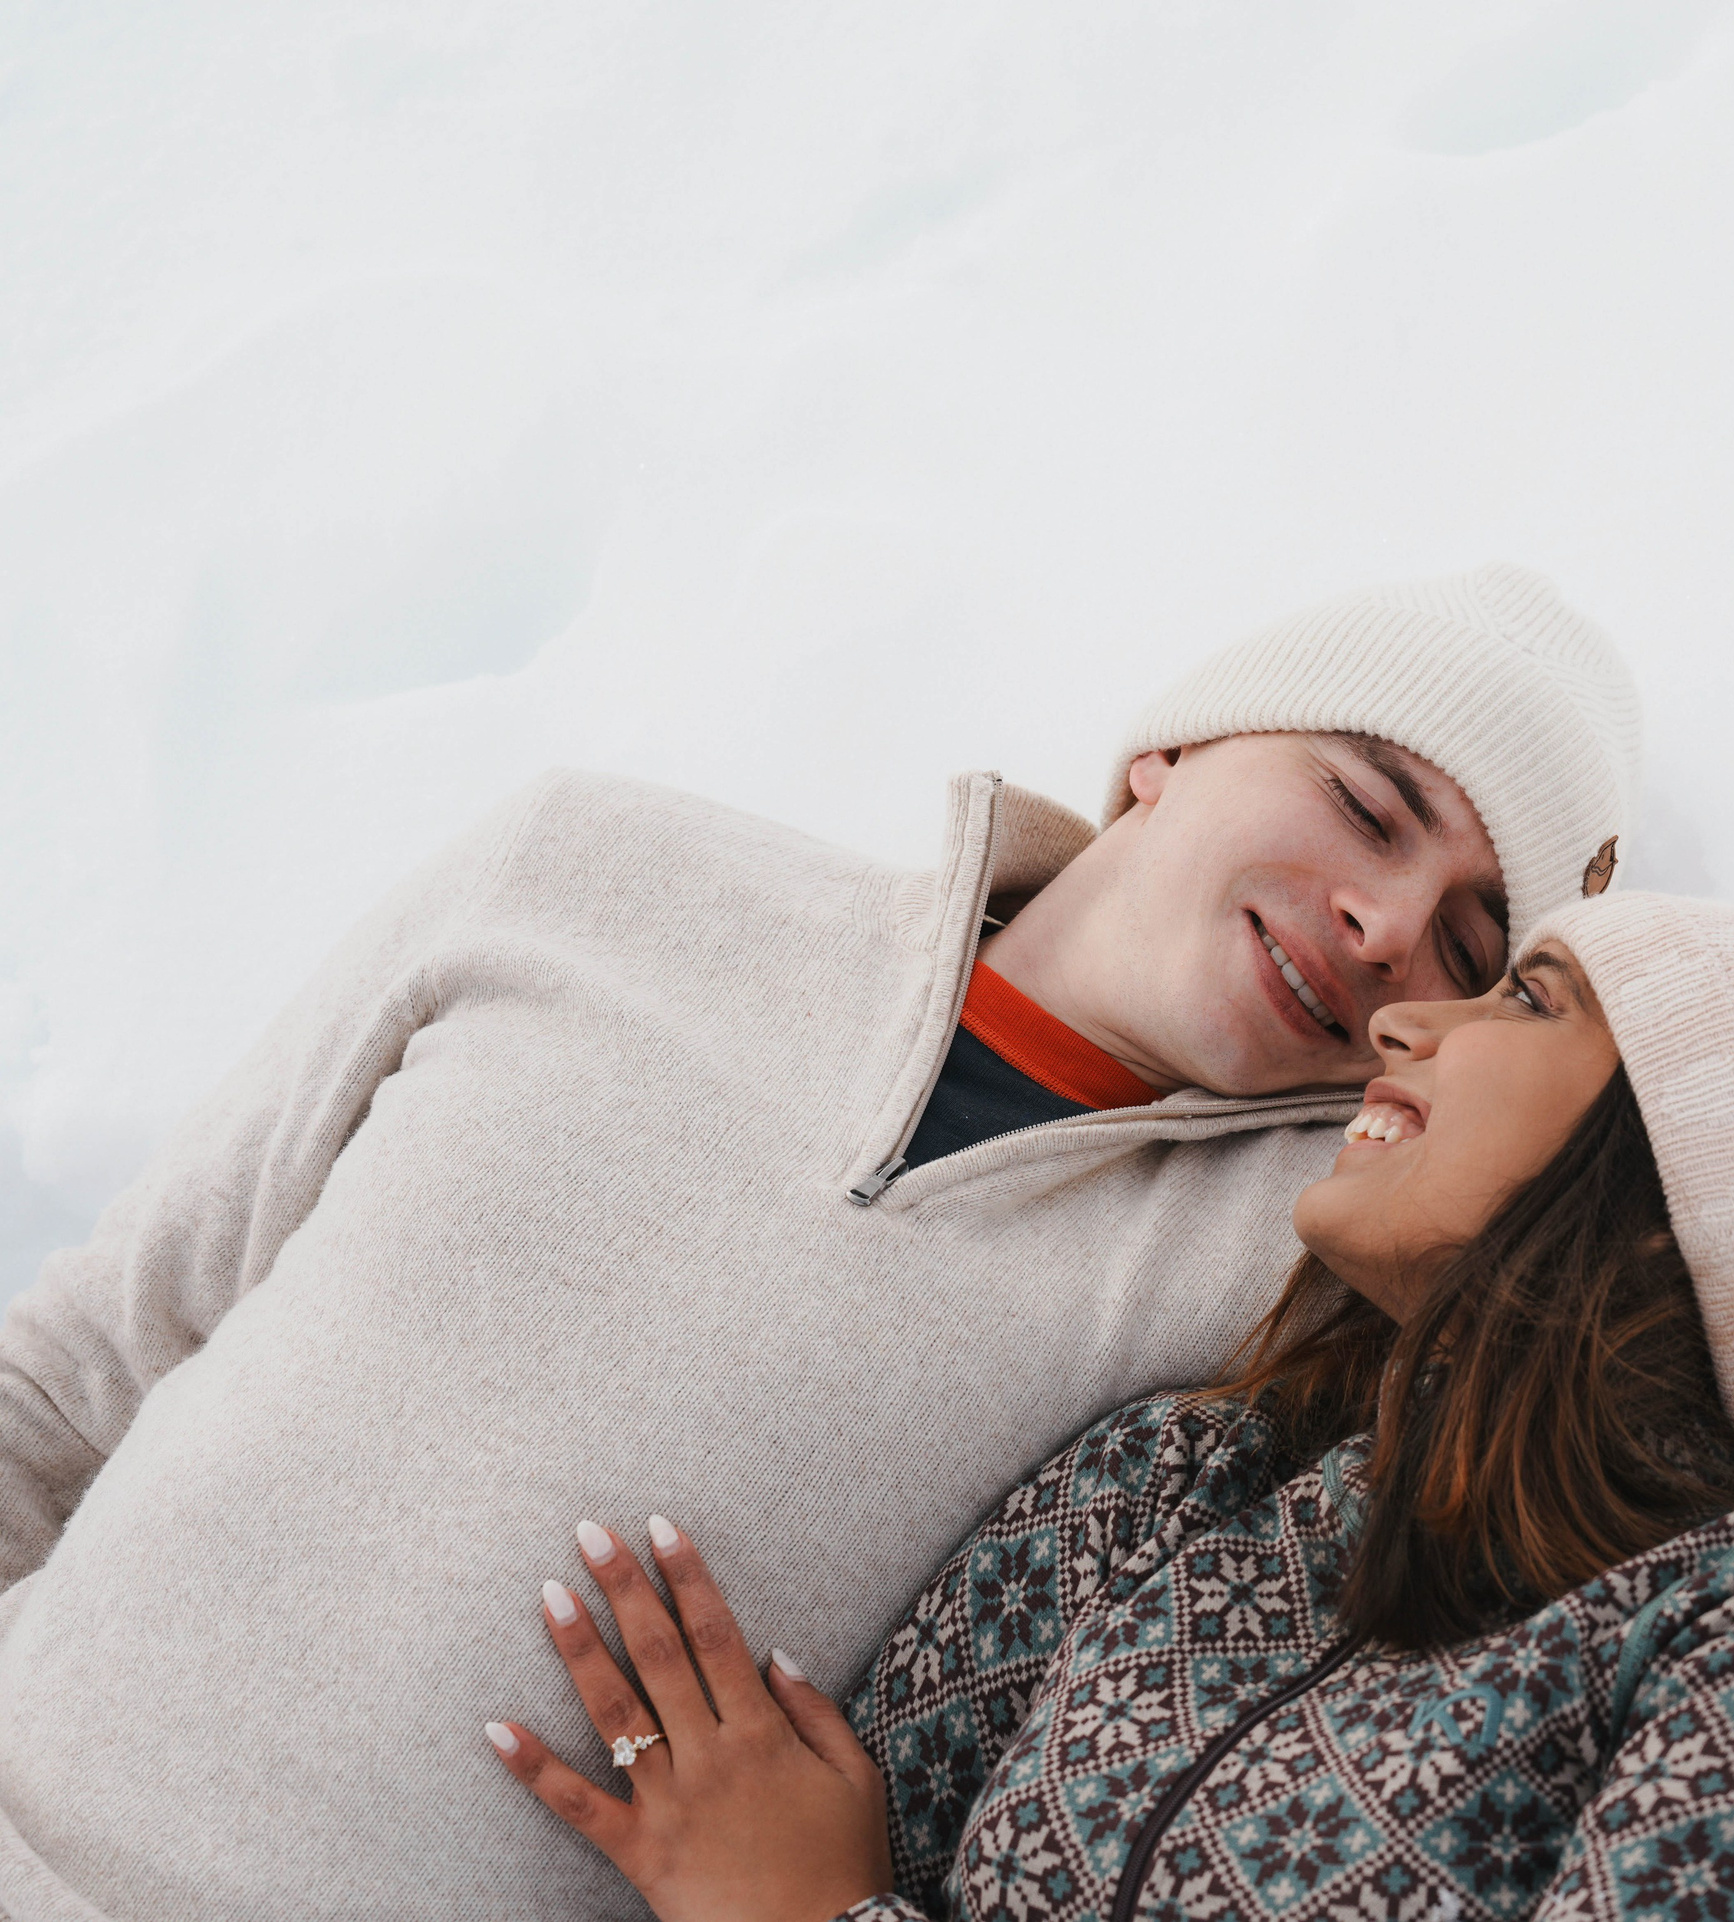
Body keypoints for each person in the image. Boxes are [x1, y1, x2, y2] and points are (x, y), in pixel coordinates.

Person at [0, 566, 1644, 1921]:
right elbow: (77, 1376)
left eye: (1465, 942)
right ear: (1170, 755)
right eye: (1367, 807)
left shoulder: (1279, 1280)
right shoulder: (589, 869)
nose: (1383, 928)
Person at [486, 892, 1734, 1921]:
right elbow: (785, 1843)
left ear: (1679, 1186)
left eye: (1532, 999)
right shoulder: (1177, 1478)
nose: (1405, 1015)